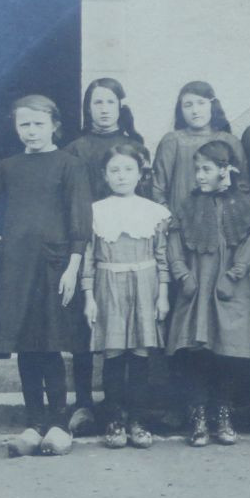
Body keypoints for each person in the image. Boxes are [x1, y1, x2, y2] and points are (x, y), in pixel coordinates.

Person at [0, 95, 84, 457]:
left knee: (50, 343)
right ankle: (33, 422)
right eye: (24, 124)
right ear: (16, 127)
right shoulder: (8, 167)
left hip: (54, 265)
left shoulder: (68, 164)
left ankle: (57, 424)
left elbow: (78, 219)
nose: (32, 131)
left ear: (54, 125)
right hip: (17, 267)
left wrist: (73, 266)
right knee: (25, 345)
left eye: (38, 124)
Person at [59, 77, 145, 433]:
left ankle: (127, 408)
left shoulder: (133, 145)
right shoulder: (76, 149)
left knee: (129, 328)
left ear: (120, 106)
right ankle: (83, 403)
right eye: (97, 103)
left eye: (110, 102)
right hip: (88, 236)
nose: (104, 109)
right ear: (88, 108)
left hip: (124, 243)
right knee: (85, 325)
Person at [165, 140, 250, 446]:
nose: (200, 175)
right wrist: (183, 275)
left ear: (225, 170)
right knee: (198, 353)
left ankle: (222, 414)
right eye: (197, 170)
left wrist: (234, 274)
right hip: (197, 289)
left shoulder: (243, 204)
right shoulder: (188, 205)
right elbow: (174, 244)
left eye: (206, 169)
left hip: (230, 290)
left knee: (228, 352)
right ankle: (198, 417)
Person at [80, 144, 170, 449]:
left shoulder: (154, 212)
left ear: (140, 173)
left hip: (146, 286)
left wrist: (163, 296)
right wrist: (89, 297)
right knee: (115, 354)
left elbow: (162, 258)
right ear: (105, 175)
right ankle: (114, 419)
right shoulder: (96, 211)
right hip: (109, 286)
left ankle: (138, 420)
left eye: (128, 169)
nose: (121, 176)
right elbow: (89, 259)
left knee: (141, 356)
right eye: (114, 170)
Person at [152, 81, 245, 225]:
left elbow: (242, 186)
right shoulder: (172, 141)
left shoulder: (230, 141)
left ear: (212, 106)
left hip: (221, 223)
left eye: (201, 103)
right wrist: (170, 221)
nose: (195, 110)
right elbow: (157, 188)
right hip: (180, 223)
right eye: (188, 105)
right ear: (180, 110)